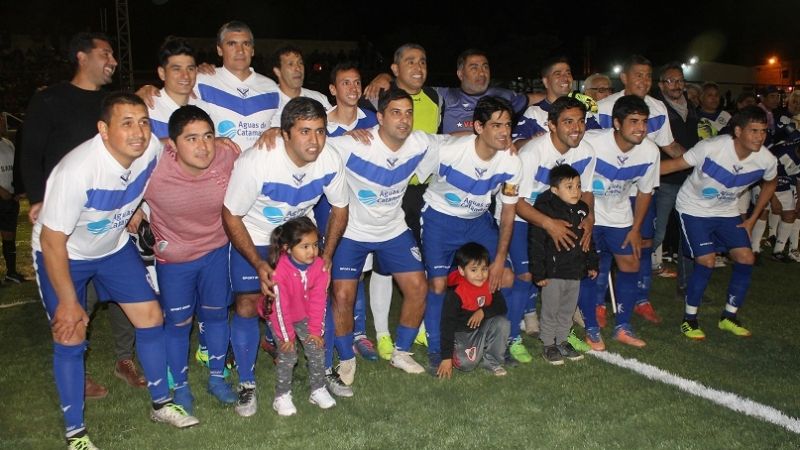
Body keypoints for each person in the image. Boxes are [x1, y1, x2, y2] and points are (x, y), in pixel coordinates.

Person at [34, 92, 199, 450]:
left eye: (143, 122)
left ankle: (161, 404)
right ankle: (75, 434)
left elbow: (165, 153)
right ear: (103, 130)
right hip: (66, 254)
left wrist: (134, 209)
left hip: (112, 249)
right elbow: (51, 242)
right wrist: (66, 301)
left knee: (151, 317)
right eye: (126, 123)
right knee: (70, 331)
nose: (138, 132)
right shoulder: (77, 170)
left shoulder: (150, 149)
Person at [21, 31, 144, 397]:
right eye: (106, 53)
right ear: (81, 56)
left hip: (111, 213)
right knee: (76, 296)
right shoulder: (50, 100)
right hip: (68, 215)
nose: (114, 61)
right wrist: (39, 198)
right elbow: (31, 153)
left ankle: (125, 358)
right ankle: (78, 366)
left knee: (128, 294)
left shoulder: (115, 103)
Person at [222, 97, 348, 417]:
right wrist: (259, 262)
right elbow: (231, 215)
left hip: (298, 242)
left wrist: (327, 254)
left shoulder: (330, 158)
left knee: (317, 300)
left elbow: (340, 208)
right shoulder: (257, 161)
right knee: (249, 304)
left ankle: (323, 371)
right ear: (285, 133)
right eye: (305, 131)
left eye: (320, 131)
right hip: (256, 236)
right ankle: (248, 384)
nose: (314, 140)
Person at [328, 88, 449, 385]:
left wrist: (496, 141)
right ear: (380, 117)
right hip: (353, 231)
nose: (404, 119)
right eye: (396, 112)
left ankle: (401, 352)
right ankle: (345, 359)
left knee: (418, 288)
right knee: (343, 296)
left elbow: (455, 142)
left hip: (393, 229)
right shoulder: (353, 144)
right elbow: (310, 143)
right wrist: (277, 132)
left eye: (409, 113)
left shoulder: (419, 142)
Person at [131, 105, 239, 414]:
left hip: (217, 252)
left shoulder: (226, 156)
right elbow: (119, 184)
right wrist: (133, 208)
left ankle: (217, 379)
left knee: (218, 316)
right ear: (172, 145)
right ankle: (179, 386)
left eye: (208, 136)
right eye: (191, 138)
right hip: (175, 261)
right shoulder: (153, 167)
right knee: (179, 323)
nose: (203, 146)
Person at [418, 96, 520, 374]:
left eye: (508, 125)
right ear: (478, 126)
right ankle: (437, 350)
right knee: (438, 286)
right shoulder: (449, 150)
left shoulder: (511, 162)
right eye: (496, 125)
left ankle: (498, 343)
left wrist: (499, 260)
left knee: (506, 276)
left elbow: (508, 213)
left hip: (477, 221)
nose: (504, 132)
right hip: (440, 218)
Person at [660, 106, 777, 339]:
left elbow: (771, 183)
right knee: (707, 261)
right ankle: (690, 319)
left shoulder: (766, 159)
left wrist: (753, 219)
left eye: (763, 131)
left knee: (746, 258)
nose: (759, 136)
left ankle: (729, 317)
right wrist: (637, 175)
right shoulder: (711, 147)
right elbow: (675, 165)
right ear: (738, 131)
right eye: (753, 131)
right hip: (693, 209)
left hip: (727, 211)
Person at [589, 55, 682, 327]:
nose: (644, 81)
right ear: (625, 78)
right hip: (606, 190)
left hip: (640, 188)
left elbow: (670, 147)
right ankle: (599, 304)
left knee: (641, 244)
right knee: (603, 248)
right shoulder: (603, 107)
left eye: (648, 76)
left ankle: (641, 299)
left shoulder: (658, 109)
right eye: (638, 75)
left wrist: (698, 162)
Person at [512, 96, 597, 353]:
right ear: (551, 125)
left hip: (562, 219)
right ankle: (510, 339)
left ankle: (562, 334)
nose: (576, 128)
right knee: (524, 276)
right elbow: (516, 201)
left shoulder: (587, 152)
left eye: (581, 121)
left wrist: (589, 219)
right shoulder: (533, 152)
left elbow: (588, 193)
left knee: (568, 273)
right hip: (522, 217)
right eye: (568, 122)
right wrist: (548, 224)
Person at [580, 95, 660, 350]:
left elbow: (646, 191)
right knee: (591, 268)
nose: (641, 128)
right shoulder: (592, 142)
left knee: (630, 263)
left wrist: (636, 229)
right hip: (589, 213)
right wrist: (587, 218)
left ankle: (623, 326)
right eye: (633, 121)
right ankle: (591, 328)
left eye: (644, 122)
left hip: (620, 215)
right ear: (616, 123)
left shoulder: (649, 151)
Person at [261, 217, 336, 416]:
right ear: (287, 248)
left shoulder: (320, 267)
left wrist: (315, 332)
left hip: (303, 314)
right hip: (279, 318)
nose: (312, 251)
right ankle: (282, 395)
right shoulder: (279, 271)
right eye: (305, 246)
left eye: (314, 245)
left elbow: (319, 301)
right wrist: (286, 337)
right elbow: (279, 308)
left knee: (316, 347)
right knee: (288, 354)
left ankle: (318, 389)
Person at [529, 164, 599, 364]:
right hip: (553, 272)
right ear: (554, 190)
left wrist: (592, 263)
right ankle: (548, 344)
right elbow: (536, 244)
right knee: (551, 309)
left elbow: (588, 240)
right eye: (569, 187)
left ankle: (562, 340)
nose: (576, 191)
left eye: (578, 186)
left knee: (568, 309)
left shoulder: (582, 211)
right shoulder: (546, 210)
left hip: (575, 271)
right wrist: (539, 273)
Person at [652, 63, 699, 299]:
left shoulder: (690, 106)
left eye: (680, 80)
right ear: (661, 84)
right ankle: (634, 278)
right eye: (671, 81)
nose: (677, 85)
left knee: (688, 233)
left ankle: (687, 284)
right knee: (655, 234)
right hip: (665, 178)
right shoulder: (655, 108)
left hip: (689, 178)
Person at [437, 242, 510, 378]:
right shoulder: (456, 293)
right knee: (466, 365)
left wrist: (483, 311)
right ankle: (459, 350)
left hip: (482, 328)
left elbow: (502, 306)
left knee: (502, 322)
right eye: (474, 270)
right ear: (461, 270)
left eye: (484, 269)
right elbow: (447, 325)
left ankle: (491, 361)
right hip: (463, 333)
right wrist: (446, 357)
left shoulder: (490, 284)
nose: (480, 275)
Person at [269, 45, 332, 127]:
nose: (298, 68)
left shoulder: (319, 99)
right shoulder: (266, 103)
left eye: (300, 63)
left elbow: (335, 127)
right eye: (290, 64)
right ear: (277, 71)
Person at [0, 115, 22, 283]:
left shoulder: (8, 144)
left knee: (9, 235)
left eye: (2, 119)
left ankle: (11, 272)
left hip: (10, 198)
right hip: (2, 196)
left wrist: (17, 190)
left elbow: (16, 169)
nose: (3, 123)